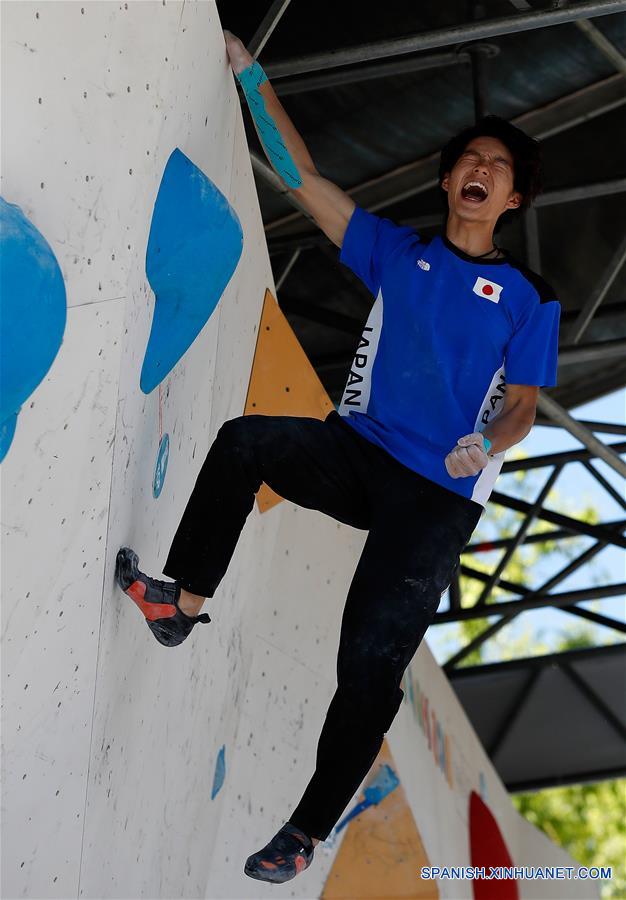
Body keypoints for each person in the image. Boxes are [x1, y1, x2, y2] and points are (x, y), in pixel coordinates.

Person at [115, 30, 560, 885]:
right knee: (247, 441)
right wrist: (251, 74)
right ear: (447, 181)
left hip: (436, 498)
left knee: (368, 665)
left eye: (499, 167)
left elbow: (522, 407)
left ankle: (303, 832)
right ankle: (181, 602)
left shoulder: (528, 298)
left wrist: (486, 444)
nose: (480, 169)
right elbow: (302, 178)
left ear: (512, 199)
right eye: (469, 160)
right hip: (357, 452)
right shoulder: (399, 253)